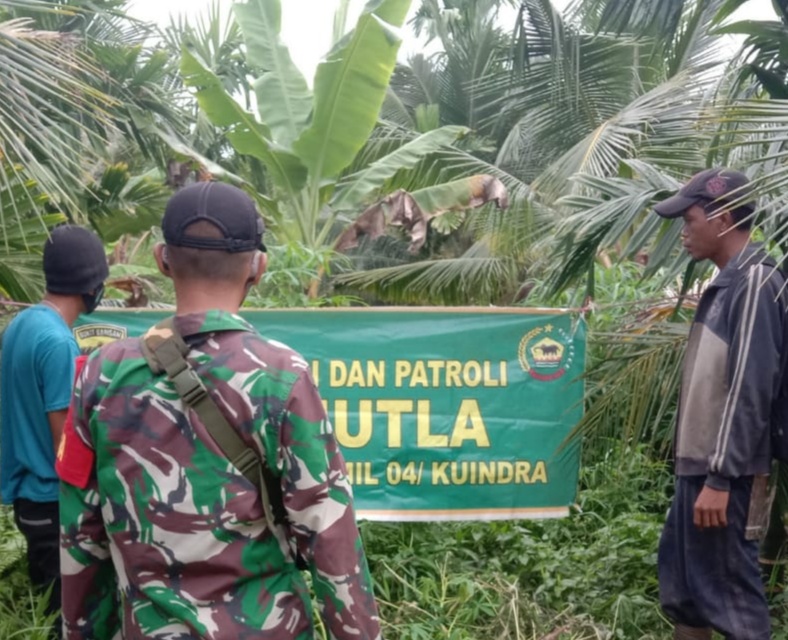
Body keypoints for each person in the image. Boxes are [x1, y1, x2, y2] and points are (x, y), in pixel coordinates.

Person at [58, 182, 381, 640]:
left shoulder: (99, 374)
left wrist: (81, 632)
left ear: (161, 259)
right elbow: (329, 533)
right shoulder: (281, 375)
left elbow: (80, 531)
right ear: (259, 266)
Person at [653, 168, 785, 640]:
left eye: (689, 220)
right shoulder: (728, 285)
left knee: (732, 602)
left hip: (727, 477)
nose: (684, 232)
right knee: (686, 594)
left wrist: (721, 477)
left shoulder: (754, 284)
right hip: (700, 471)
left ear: (724, 219)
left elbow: (751, 388)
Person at [0, 224, 108, 635]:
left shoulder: (22, 325)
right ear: (91, 283)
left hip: (28, 497)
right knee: (64, 620)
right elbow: (66, 440)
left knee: (44, 611)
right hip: (52, 502)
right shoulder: (58, 343)